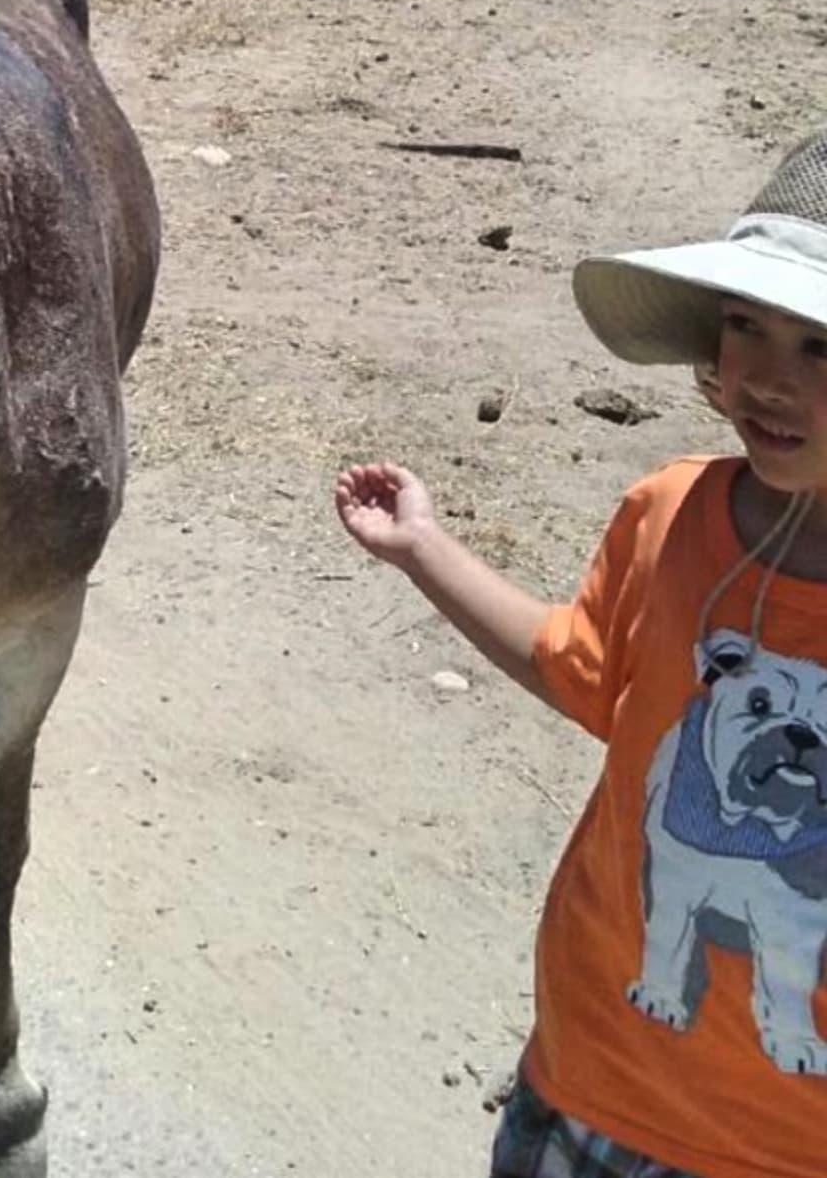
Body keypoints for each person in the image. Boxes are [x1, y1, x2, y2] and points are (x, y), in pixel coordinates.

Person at [336, 131, 827, 1178]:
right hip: (598, 1074)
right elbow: (580, 665)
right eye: (743, 324)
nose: (766, 379)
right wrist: (423, 549)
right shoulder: (669, 513)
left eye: (818, 346)